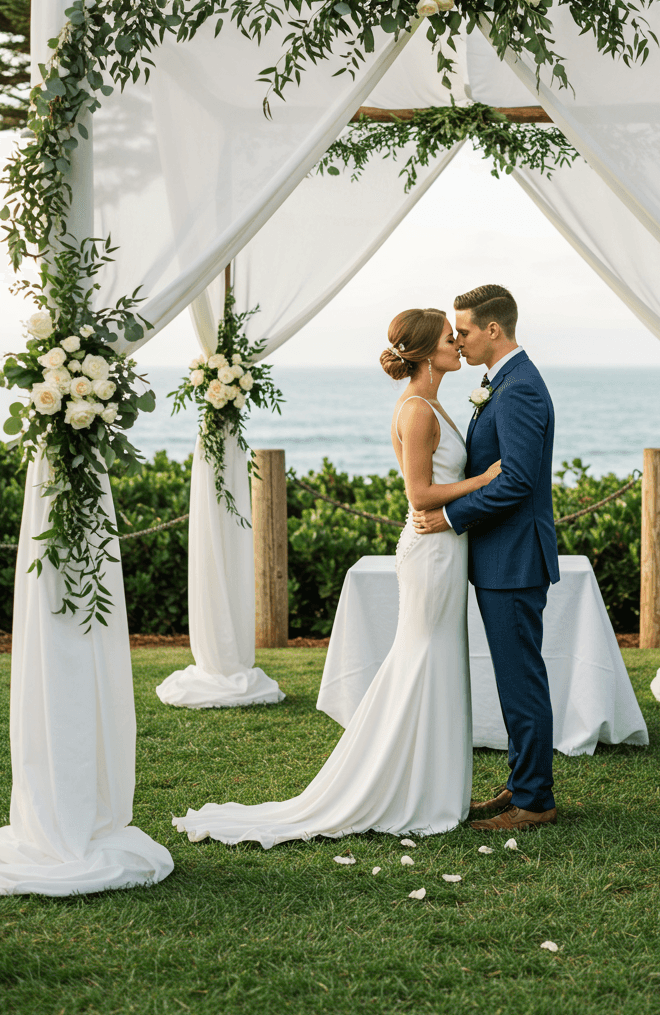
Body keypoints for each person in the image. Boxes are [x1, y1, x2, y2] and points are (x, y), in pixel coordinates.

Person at [172, 307, 501, 846]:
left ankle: (436, 787)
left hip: (446, 549)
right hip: (432, 550)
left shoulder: (433, 403)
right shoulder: (417, 410)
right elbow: (419, 496)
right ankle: (402, 786)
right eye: (449, 338)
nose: (458, 344)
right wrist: (483, 480)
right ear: (424, 352)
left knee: (437, 658)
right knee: (423, 658)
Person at [413, 285, 560, 833]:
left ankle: (535, 801)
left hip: (514, 558)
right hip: (502, 557)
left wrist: (450, 519)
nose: (459, 340)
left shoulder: (518, 389)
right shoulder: (502, 382)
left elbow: (518, 481)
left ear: (493, 330)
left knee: (521, 681)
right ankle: (522, 783)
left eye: (465, 331)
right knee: (514, 679)